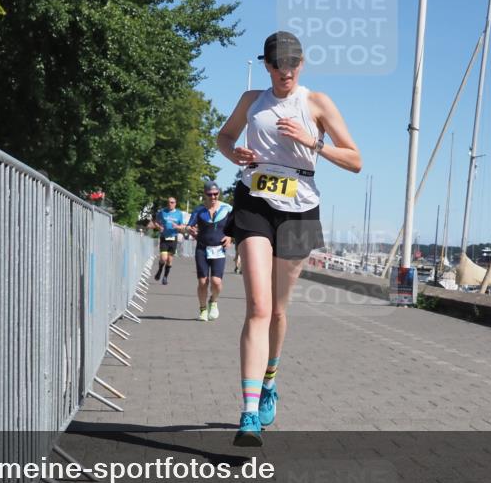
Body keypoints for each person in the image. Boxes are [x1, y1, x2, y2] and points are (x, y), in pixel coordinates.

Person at [217, 31, 361, 446]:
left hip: (299, 207)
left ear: (303, 64)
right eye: (279, 65)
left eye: (294, 64)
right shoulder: (251, 101)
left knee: (278, 311)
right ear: (267, 65)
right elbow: (224, 137)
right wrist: (234, 154)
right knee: (258, 306)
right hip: (254, 201)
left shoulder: (317, 103)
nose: (287, 72)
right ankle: (247, 415)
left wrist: (313, 141)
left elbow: (354, 159)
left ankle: (270, 379)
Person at [181, 181, 233, 321]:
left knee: (216, 282)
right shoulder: (199, 210)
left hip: (219, 249)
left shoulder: (227, 208)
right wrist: (189, 229)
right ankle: (203, 309)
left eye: (216, 194)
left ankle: (213, 302)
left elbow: (235, 226)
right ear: (205, 194)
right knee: (203, 282)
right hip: (202, 249)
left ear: (219, 193)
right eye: (210, 194)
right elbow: (189, 226)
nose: (213, 197)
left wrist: (230, 237)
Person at [150, 196, 185, 285]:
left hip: (173, 238)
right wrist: (159, 227)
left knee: (169, 260)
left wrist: (177, 227)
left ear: (175, 203)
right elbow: (155, 222)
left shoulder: (179, 213)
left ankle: (165, 277)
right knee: (163, 258)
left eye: (172, 202)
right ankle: (160, 270)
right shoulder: (162, 212)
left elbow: (183, 226)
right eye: (169, 202)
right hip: (164, 237)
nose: (170, 204)